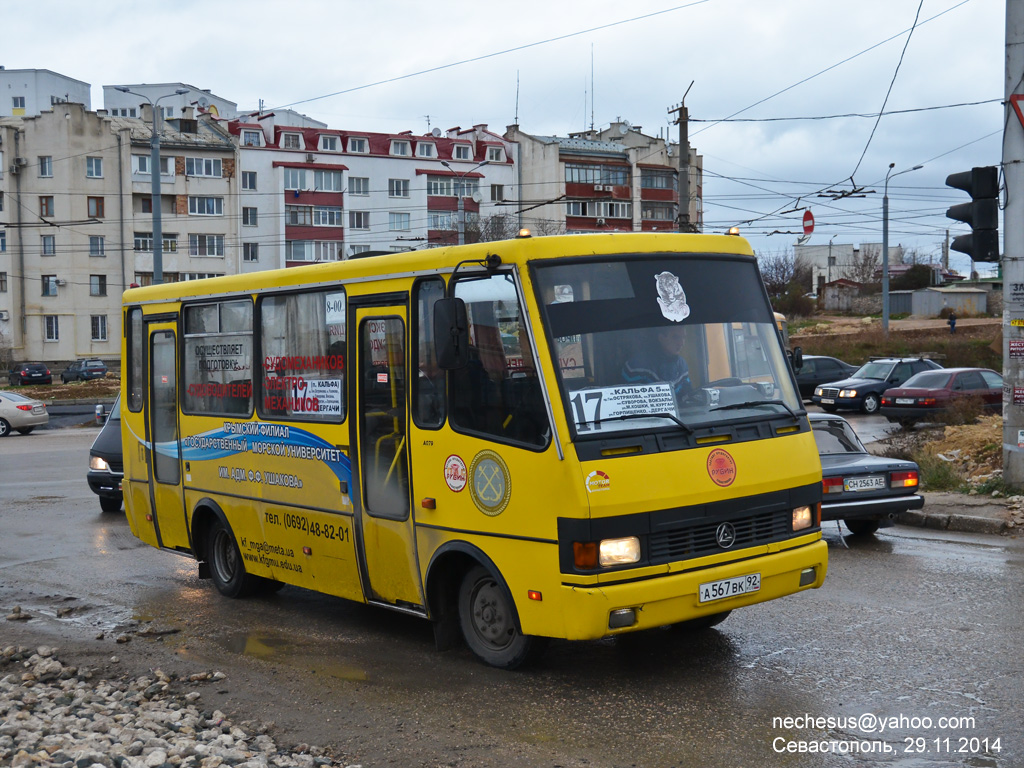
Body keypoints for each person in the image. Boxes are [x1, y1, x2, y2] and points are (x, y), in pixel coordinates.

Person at [622, 324, 693, 403]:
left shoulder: (682, 365)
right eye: (675, 337)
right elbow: (629, 403)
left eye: (683, 338)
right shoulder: (636, 366)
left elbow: (688, 397)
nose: (681, 343)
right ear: (661, 338)